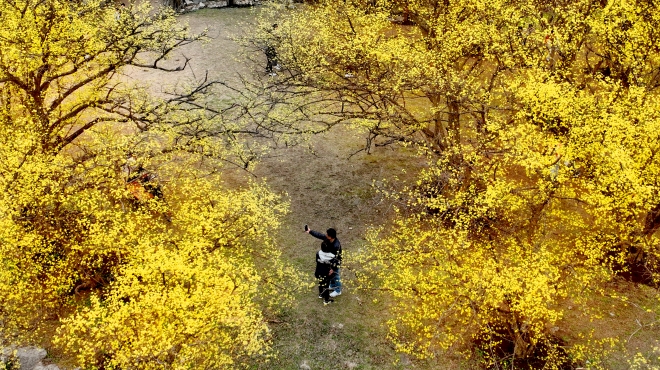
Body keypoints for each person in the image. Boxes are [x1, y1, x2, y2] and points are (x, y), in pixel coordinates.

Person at [305, 225, 342, 297]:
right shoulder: (328, 239)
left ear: (331, 237)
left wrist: (333, 268)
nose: (326, 235)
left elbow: (338, 258)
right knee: (331, 277)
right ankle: (332, 285)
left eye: (327, 235)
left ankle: (338, 290)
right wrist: (310, 231)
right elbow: (319, 235)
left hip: (335, 262)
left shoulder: (336, 246)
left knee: (336, 276)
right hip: (329, 261)